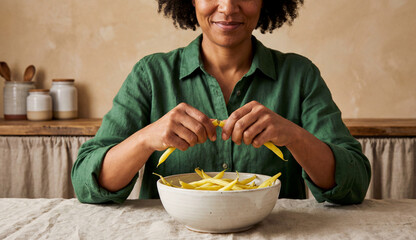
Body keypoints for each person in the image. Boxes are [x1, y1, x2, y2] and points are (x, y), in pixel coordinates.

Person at [72, 0, 371, 204]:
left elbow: (354, 183)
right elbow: (87, 181)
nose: (228, 7)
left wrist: (293, 135)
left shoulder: (300, 75)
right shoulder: (151, 75)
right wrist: (145, 140)